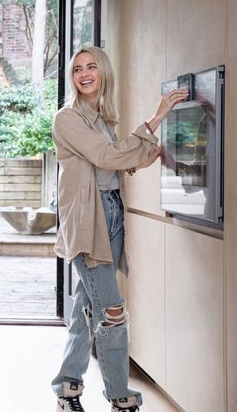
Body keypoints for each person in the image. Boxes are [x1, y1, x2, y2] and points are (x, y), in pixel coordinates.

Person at [51, 46, 187, 412]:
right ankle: (121, 399)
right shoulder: (68, 118)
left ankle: (67, 387)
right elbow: (106, 157)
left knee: (88, 305)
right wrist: (155, 119)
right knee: (111, 312)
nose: (84, 74)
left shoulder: (102, 119)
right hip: (87, 219)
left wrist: (139, 160)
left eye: (91, 66)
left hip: (110, 211)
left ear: (103, 72)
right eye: (77, 69)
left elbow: (111, 167)